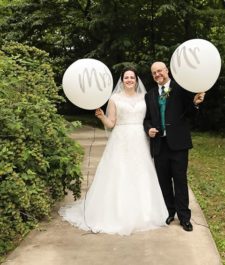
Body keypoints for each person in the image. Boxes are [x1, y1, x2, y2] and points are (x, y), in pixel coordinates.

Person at [59, 67, 168, 235]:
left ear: (136, 80)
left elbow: (149, 118)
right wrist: (101, 116)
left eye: (132, 77)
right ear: (122, 80)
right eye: (126, 77)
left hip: (140, 139)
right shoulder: (114, 98)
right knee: (120, 172)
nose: (130, 80)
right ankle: (117, 213)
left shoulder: (144, 97)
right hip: (121, 138)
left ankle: (145, 212)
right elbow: (111, 123)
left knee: (141, 173)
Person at [143, 61, 205, 232]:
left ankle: (184, 217)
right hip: (159, 145)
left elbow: (190, 113)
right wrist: (149, 129)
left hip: (178, 143)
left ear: (167, 70)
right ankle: (169, 212)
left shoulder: (181, 88)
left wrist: (196, 103)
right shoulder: (150, 95)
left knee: (180, 180)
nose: (157, 74)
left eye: (160, 71)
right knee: (163, 181)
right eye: (154, 72)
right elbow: (146, 118)